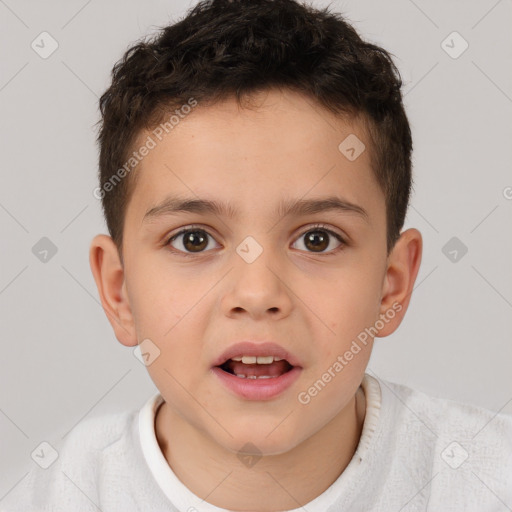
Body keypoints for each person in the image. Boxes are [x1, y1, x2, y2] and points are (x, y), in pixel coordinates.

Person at [2, 0, 511, 510]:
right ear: (119, 291)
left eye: (317, 239)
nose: (257, 293)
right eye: (193, 240)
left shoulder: (487, 482)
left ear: (391, 284)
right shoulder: (52, 496)